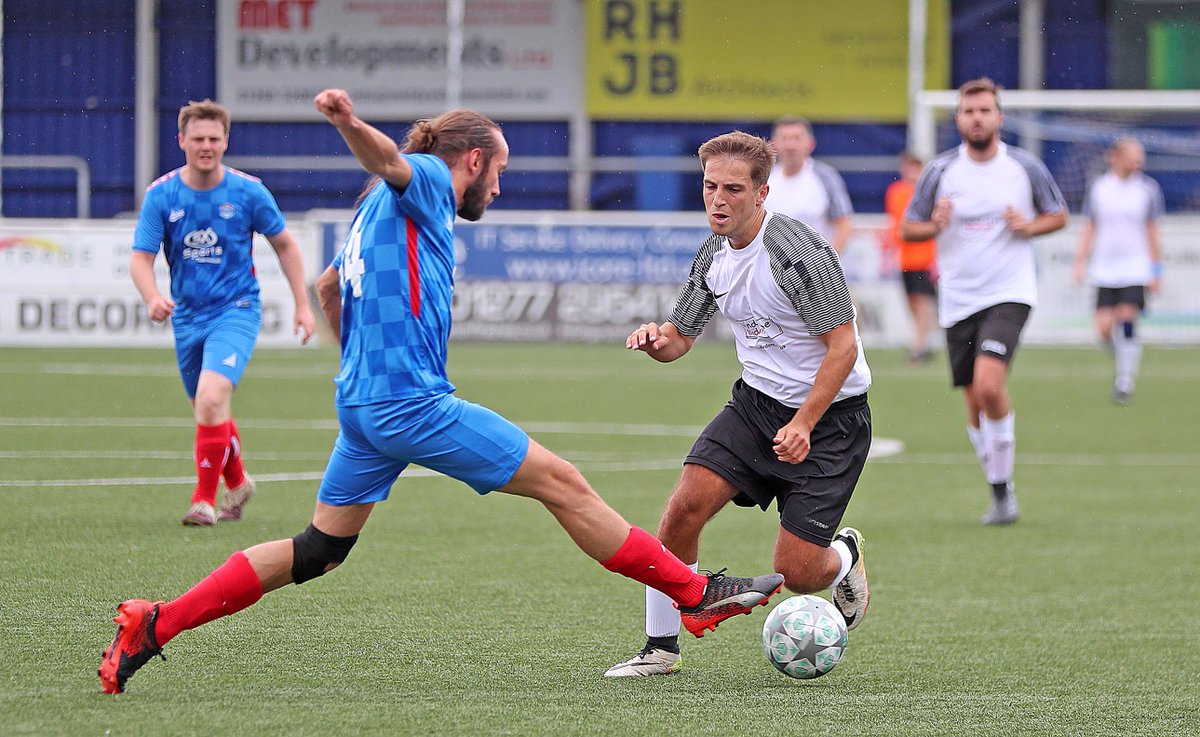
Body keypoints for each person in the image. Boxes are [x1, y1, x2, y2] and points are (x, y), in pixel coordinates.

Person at [99, 90, 783, 694]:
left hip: (365, 406)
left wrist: (362, 363)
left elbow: (330, 287)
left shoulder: (375, 210)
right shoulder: (423, 178)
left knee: (319, 550)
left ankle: (155, 622)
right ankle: (692, 595)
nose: (501, 188)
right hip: (410, 403)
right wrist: (347, 121)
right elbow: (391, 162)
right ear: (474, 161)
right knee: (564, 482)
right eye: (503, 172)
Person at [604, 131, 872, 678]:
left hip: (831, 421)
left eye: (732, 188)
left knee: (797, 572)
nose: (718, 199)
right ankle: (661, 648)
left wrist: (804, 422)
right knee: (682, 511)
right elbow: (680, 338)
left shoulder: (795, 250)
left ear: (761, 193)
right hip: (754, 407)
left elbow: (843, 348)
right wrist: (658, 341)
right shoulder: (713, 255)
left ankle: (845, 555)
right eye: (709, 187)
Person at [130, 99, 317, 527]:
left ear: (226, 141)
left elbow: (285, 244)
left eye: (214, 138)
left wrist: (302, 305)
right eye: (198, 138)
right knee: (207, 408)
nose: (206, 146)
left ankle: (203, 500)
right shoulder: (161, 195)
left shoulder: (249, 191)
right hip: (188, 317)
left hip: (237, 309)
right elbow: (140, 257)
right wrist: (152, 297)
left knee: (212, 398)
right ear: (181, 141)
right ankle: (238, 480)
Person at [901, 78, 1068, 526]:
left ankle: (1002, 492)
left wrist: (1028, 227)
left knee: (990, 386)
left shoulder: (1024, 166)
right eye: (968, 111)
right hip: (957, 298)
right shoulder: (940, 171)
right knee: (974, 400)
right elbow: (907, 229)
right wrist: (935, 225)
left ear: (999, 117)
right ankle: (999, 488)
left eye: (984, 110)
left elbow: (1059, 214)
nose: (977, 118)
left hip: (1009, 292)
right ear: (958, 119)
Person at [1072, 138, 1164, 404]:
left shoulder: (1147, 189)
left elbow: (1152, 231)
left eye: (1140, 157)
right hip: (1105, 268)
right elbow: (1090, 226)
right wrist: (1080, 261)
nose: (1138, 162)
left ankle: (1125, 380)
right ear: (1116, 157)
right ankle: (1126, 356)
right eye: (1133, 157)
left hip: (1136, 267)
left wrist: (1156, 269)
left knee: (1126, 317)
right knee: (1102, 328)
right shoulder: (1100, 188)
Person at [763, 116, 854, 253]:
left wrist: (830, 261)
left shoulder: (826, 177)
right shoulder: (764, 177)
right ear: (773, 144)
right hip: (771, 267)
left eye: (796, 138)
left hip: (814, 268)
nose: (790, 146)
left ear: (810, 144)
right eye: (784, 138)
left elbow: (844, 222)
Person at [882, 151, 939, 364]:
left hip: (925, 255)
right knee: (912, 301)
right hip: (905, 257)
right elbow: (894, 224)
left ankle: (919, 344)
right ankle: (923, 340)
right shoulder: (896, 192)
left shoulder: (926, 194)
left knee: (922, 301)